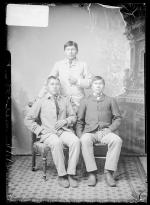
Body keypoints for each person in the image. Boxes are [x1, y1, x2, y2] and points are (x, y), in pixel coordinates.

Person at [24, 76, 80, 188]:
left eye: (57, 84)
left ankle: (71, 173)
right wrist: (40, 130)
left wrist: (65, 120)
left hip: (63, 131)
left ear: (60, 86)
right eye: (52, 84)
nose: (55, 86)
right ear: (47, 86)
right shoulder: (41, 101)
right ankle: (62, 175)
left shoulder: (65, 100)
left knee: (76, 141)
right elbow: (28, 120)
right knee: (56, 143)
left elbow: (73, 117)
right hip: (48, 133)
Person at [76, 76, 122, 187]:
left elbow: (118, 118)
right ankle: (92, 173)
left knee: (117, 140)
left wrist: (109, 129)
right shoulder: (85, 101)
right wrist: (80, 135)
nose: (98, 86)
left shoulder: (110, 100)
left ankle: (109, 173)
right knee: (85, 140)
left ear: (103, 86)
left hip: (105, 132)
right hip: (89, 132)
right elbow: (79, 121)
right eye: (95, 84)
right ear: (91, 86)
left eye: (100, 83)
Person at [38, 40, 92, 112]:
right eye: (68, 50)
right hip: (62, 102)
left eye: (73, 49)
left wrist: (77, 81)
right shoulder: (58, 64)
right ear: (64, 51)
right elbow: (48, 82)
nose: (70, 52)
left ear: (77, 51)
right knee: (64, 122)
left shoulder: (83, 64)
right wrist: (39, 97)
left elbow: (90, 83)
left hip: (79, 102)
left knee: (79, 122)